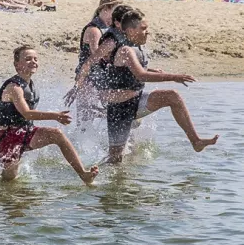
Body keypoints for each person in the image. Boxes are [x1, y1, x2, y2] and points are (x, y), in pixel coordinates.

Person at [80, 8, 217, 163]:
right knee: (115, 160)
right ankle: (88, 171)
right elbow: (141, 75)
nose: (147, 32)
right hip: (119, 110)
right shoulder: (125, 50)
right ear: (131, 31)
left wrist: (153, 70)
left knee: (173, 97)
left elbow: (134, 70)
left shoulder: (134, 46)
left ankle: (196, 141)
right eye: (143, 28)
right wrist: (174, 77)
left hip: (137, 101)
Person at [0, 46, 99, 185]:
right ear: (17, 65)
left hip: (26, 131)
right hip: (9, 137)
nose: (33, 62)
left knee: (57, 134)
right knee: (8, 180)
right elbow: (27, 113)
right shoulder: (14, 87)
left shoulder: (28, 84)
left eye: (35, 59)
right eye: (28, 59)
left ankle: (83, 174)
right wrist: (55, 116)